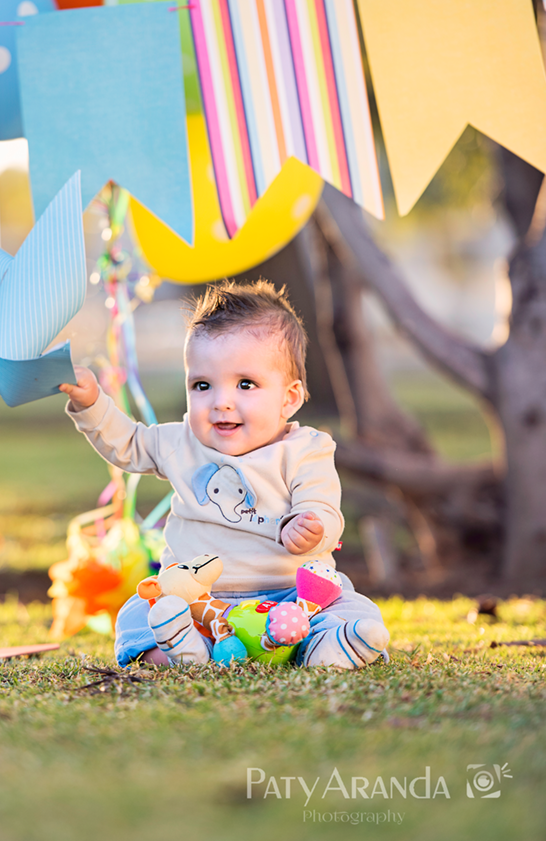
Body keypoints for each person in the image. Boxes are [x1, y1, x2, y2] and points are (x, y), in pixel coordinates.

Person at [60, 280, 389, 669]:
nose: (221, 402)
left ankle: (329, 648)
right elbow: (128, 444)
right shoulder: (180, 442)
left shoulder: (306, 450)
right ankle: (182, 647)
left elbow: (323, 508)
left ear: (290, 398)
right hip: (199, 601)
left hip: (290, 597)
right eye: (202, 385)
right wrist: (92, 404)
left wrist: (310, 527)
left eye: (245, 384)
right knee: (139, 614)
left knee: (348, 607)